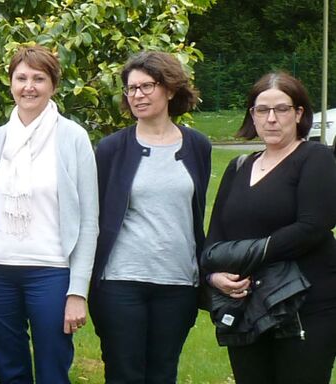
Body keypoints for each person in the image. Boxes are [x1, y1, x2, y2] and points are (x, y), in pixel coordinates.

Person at [0, 45, 99, 383]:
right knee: (9, 368)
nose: (29, 86)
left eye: (39, 79)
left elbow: (88, 221)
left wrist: (78, 291)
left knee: (52, 368)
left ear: (53, 85)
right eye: (21, 78)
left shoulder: (73, 138)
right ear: (11, 83)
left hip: (51, 271)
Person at [203, 72, 336, 384]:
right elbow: (215, 240)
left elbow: (313, 227)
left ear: (299, 113)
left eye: (282, 109)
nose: (271, 119)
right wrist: (215, 276)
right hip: (247, 307)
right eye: (262, 110)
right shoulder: (238, 168)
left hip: (307, 307)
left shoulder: (315, 158)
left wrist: (248, 255)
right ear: (252, 115)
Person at [90, 51, 210, 383]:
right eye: (131, 89)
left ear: (170, 89)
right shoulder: (112, 148)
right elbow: (97, 215)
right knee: (124, 373)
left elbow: (195, 211)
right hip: (121, 281)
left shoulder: (198, 146)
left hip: (178, 283)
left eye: (147, 86)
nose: (138, 95)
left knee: (162, 373)